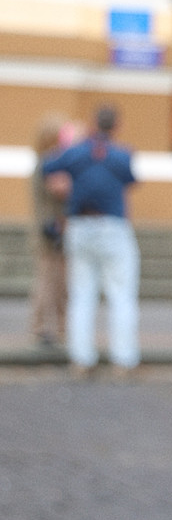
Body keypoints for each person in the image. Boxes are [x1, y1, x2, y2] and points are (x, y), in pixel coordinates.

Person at [44, 104, 140, 377]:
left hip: (80, 225)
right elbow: (131, 178)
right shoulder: (122, 155)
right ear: (117, 125)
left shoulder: (76, 152)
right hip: (112, 226)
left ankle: (81, 358)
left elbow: (48, 165)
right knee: (121, 294)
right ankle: (123, 360)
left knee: (81, 294)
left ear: (93, 123)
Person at [29, 114, 70, 348]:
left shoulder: (42, 161)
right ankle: (44, 327)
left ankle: (57, 327)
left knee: (57, 282)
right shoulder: (49, 162)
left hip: (49, 229)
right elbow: (61, 189)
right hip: (51, 231)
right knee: (50, 282)